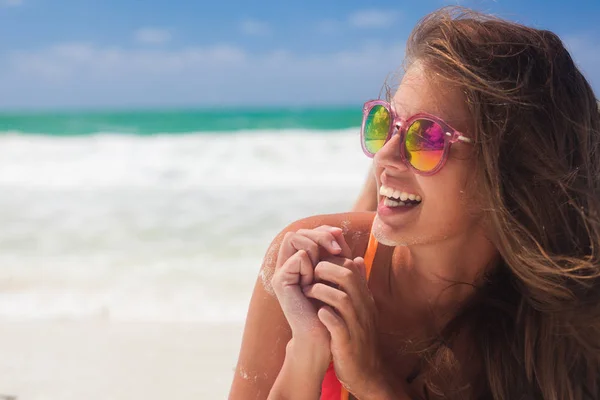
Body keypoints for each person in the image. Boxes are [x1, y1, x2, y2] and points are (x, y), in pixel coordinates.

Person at [229, 7, 600, 400]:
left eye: (426, 138)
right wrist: (305, 353)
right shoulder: (303, 271)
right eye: (384, 125)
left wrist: (372, 381)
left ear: (511, 168)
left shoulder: (555, 326)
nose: (384, 155)